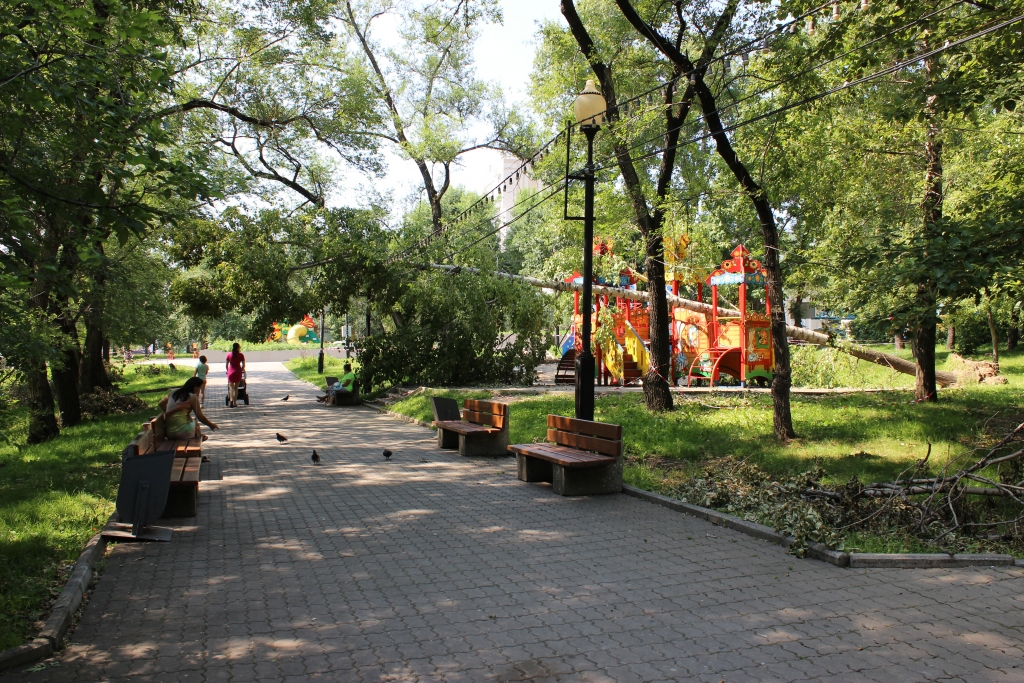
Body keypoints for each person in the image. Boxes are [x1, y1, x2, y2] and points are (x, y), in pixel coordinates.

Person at [159, 377, 218, 441]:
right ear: (195, 387)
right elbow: (200, 416)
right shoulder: (192, 397)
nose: (199, 391)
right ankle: (199, 439)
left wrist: (171, 412)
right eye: (199, 388)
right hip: (182, 432)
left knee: (190, 420)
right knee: (195, 423)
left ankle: (200, 437)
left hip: (169, 433)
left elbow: (161, 403)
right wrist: (211, 425)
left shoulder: (174, 392)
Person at [225, 343, 245, 407]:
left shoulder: (229, 354)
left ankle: (231, 400)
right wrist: (241, 369)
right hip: (238, 372)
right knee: (236, 388)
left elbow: (226, 365)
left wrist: (227, 371)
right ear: (238, 347)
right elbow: (243, 365)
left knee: (231, 388)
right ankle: (234, 402)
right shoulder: (241, 355)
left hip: (230, 372)